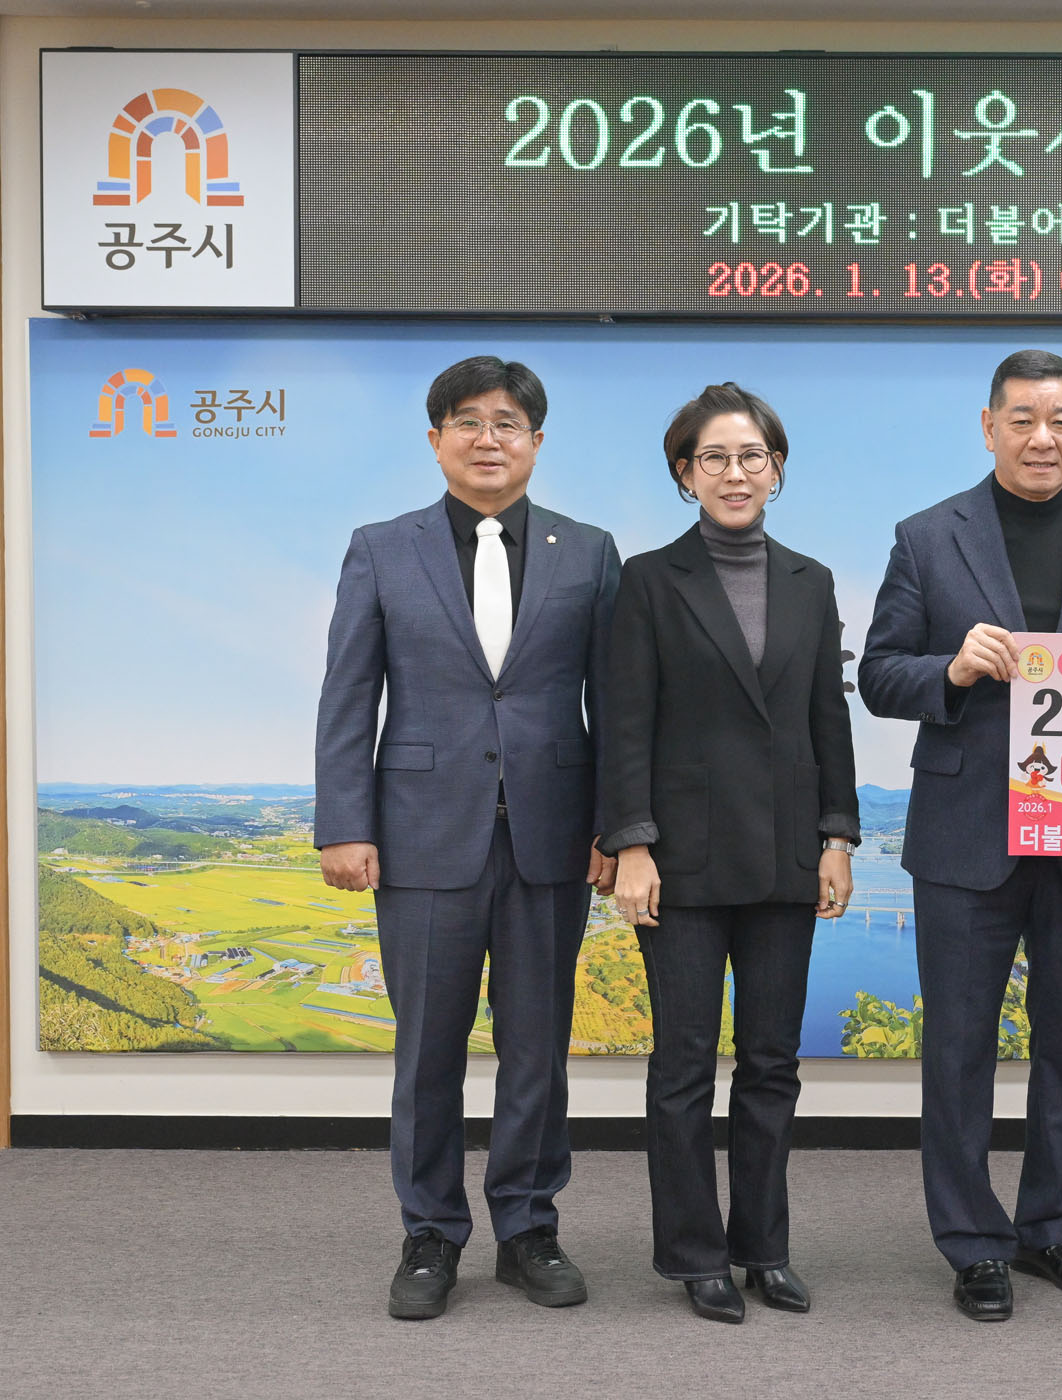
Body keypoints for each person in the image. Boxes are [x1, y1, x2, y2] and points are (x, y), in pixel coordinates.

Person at [859, 349, 1062, 1321]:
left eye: (1061, 420)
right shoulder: (927, 536)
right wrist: (951, 670)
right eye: (1024, 419)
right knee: (958, 1048)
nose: (1043, 437)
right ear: (990, 425)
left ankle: (1051, 1227)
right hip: (967, 835)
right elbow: (879, 673)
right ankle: (972, 1242)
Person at [315, 356, 621, 1321]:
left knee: (538, 1050)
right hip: (419, 838)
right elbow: (349, 693)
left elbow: (615, 705)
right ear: (436, 438)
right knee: (427, 1053)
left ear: (536, 440)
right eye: (468, 422)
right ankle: (430, 1233)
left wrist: (615, 826)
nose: (489, 439)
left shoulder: (589, 551)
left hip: (552, 838)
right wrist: (344, 824)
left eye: (507, 423)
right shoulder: (381, 548)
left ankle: (528, 1227)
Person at [598, 382, 859, 1324]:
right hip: (682, 860)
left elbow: (828, 718)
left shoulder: (812, 581)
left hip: (787, 854)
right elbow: (624, 722)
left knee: (772, 1064)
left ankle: (763, 1248)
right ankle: (693, 1253)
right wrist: (631, 844)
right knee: (682, 1067)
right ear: (686, 473)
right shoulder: (647, 579)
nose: (735, 472)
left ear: (776, 469)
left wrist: (838, 835)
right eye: (714, 457)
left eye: (753, 456)